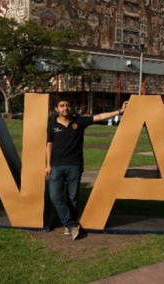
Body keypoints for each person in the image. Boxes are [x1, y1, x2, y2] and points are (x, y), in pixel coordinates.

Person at [46, 99, 127, 240]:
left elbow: (100, 117)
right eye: (62, 106)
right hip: (57, 166)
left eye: (67, 105)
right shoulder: (52, 125)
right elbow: (49, 144)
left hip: (75, 165)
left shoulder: (79, 121)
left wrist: (119, 111)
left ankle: (68, 226)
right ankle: (71, 225)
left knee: (73, 197)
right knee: (55, 196)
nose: (65, 108)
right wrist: (48, 164)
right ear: (56, 109)